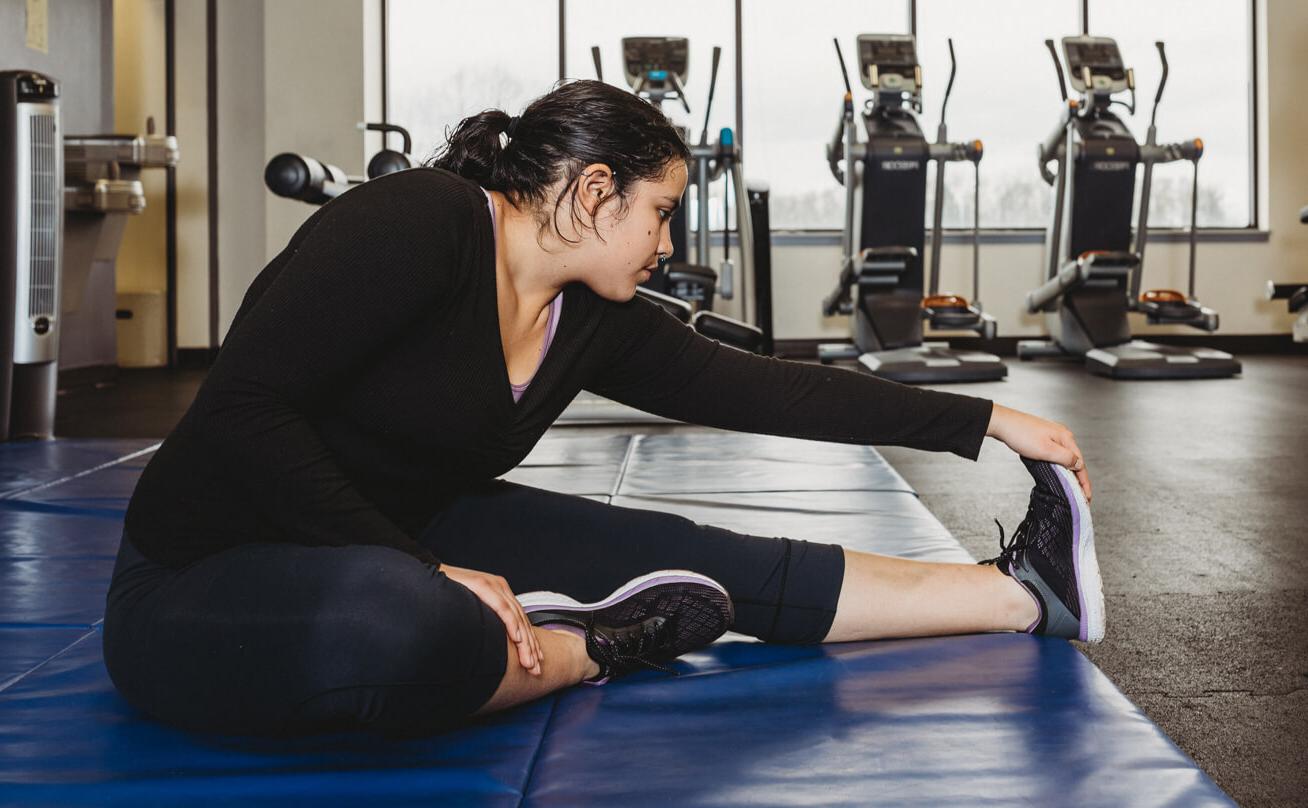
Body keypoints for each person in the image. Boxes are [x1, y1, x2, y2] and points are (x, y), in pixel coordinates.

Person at [102, 79, 1101, 739]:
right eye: (659, 210)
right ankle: (591, 647)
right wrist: (425, 568)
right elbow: (242, 411)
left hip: (411, 526)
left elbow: (763, 385)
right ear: (591, 191)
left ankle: (1020, 594)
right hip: (211, 568)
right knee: (404, 619)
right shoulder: (417, 224)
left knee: (699, 556)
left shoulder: (587, 312)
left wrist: (986, 424)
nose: (665, 242)